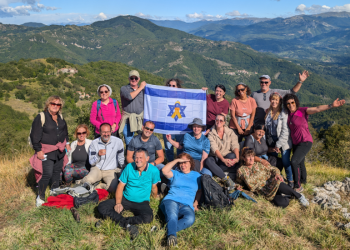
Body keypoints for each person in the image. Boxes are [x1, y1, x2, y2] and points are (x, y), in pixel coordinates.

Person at [283, 94, 345, 192]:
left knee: (294, 161)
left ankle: (297, 186)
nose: (291, 105)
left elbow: (317, 109)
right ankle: (304, 182)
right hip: (295, 143)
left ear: (296, 102)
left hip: (305, 141)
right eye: (288, 103)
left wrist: (331, 105)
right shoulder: (287, 114)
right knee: (300, 163)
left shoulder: (302, 111)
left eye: (292, 102)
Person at [97, 149, 160, 239]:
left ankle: (119, 221)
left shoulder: (154, 170)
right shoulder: (129, 167)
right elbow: (120, 186)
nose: (138, 160)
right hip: (125, 199)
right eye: (136, 158)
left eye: (141, 158)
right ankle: (127, 225)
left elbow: (154, 187)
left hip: (142, 202)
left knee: (148, 218)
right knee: (102, 206)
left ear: (147, 158)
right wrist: (118, 203)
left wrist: (154, 198)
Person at [30, 96, 70, 207]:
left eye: (58, 105)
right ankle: (41, 197)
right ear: (48, 104)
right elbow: (35, 135)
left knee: (57, 173)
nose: (55, 106)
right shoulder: (41, 117)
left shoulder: (60, 117)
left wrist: (67, 143)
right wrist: (38, 150)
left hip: (60, 150)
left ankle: (54, 192)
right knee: (46, 173)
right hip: (46, 150)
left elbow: (65, 132)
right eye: (53, 104)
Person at [236, 148, 309, 208]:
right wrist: (238, 187)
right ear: (243, 158)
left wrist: (277, 174)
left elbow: (274, 169)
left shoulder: (259, 164)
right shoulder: (241, 171)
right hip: (264, 192)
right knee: (283, 204)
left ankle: (299, 196)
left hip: (272, 183)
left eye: (252, 156)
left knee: (278, 182)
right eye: (248, 156)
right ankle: (288, 195)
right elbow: (238, 182)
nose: (251, 158)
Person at [160, 153, 202, 247]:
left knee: (190, 219)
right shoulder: (175, 173)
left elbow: (199, 191)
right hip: (171, 200)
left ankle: (162, 229)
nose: (183, 165)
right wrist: (176, 160)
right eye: (181, 163)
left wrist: (195, 203)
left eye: (185, 162)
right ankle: (171, 236)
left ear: (191, 163)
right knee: (172, 214)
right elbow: (164, 170)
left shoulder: (197, 176)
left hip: (186, 205)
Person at [77, 123, 124, 192]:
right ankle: (81, 182)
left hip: (110, 170)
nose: (106, 134)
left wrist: (123, 169)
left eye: (108, 132)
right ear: (99, 132)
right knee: (87, 181)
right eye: (104, 132)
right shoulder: (94, 143)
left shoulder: (118, 141)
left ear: (111, 131)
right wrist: (98, 155)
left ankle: (99, 186)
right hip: (97, 168)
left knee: (113, 188)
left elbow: (121, 158)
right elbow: (92, 163)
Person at [264, 92, 294, 188]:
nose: (274, 101)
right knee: (273, 160)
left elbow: (285, 131)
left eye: (276, 100)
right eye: (273, 99)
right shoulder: (268, 112)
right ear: (270, 100)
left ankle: (290, 180)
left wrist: (278, 144)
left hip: (283, 141)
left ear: (279, 101)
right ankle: (274, 178)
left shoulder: (283, 113)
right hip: (270, 140)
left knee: (285, 160)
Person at [204, 114, 239, 191]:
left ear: (224, 122)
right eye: (217, 120)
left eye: (221, 120)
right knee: (208, 161)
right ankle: (227, 180)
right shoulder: (211, 133)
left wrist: (237, 158)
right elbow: (214, 148)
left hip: (226, 156)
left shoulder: (230, 132)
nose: (218, 122)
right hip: (216, 157)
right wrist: (223, 160)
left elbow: (235, 145)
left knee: (233, 156)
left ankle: (216, 171)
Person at [119, 70, 146, 147]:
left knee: (143, 142)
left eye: (136, 78)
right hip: (128, 120)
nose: (134, 80)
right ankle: (130, 158)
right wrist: (140, 87)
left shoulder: (144, 91)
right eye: (132, 78)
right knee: (129, 143)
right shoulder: (124, 89)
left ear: (139, 79)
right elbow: (129, 97)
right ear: (129, 79)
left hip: (140, 120)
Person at [162, 78, 185, 161]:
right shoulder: (163, 97)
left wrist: (202, 92)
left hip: (180, 127)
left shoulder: (184, 97)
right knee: (168, 148)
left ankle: (179, 164)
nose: (171, 87)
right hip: (167, 127)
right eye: (169, 85)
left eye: (173, 85)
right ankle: (170, 165)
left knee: (180, 147)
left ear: (177, 87)